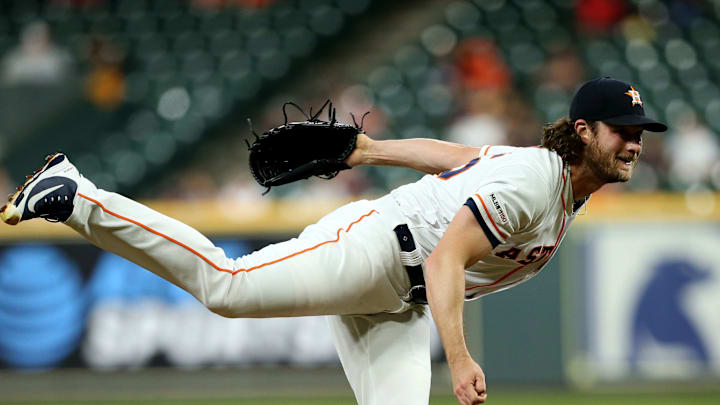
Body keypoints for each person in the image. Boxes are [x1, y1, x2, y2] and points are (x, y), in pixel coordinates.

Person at [0, 77, 667, 405]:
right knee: (226, 288)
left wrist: (369, 148)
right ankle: (79, 194)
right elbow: (445, 260)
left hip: (397, 297)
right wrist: (459, 360)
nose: (634, 139)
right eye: (620, 128)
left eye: (638, 129)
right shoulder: (534, 180)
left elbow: (460, 155)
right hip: (379, 248)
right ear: (583, 131)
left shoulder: (553, 184)